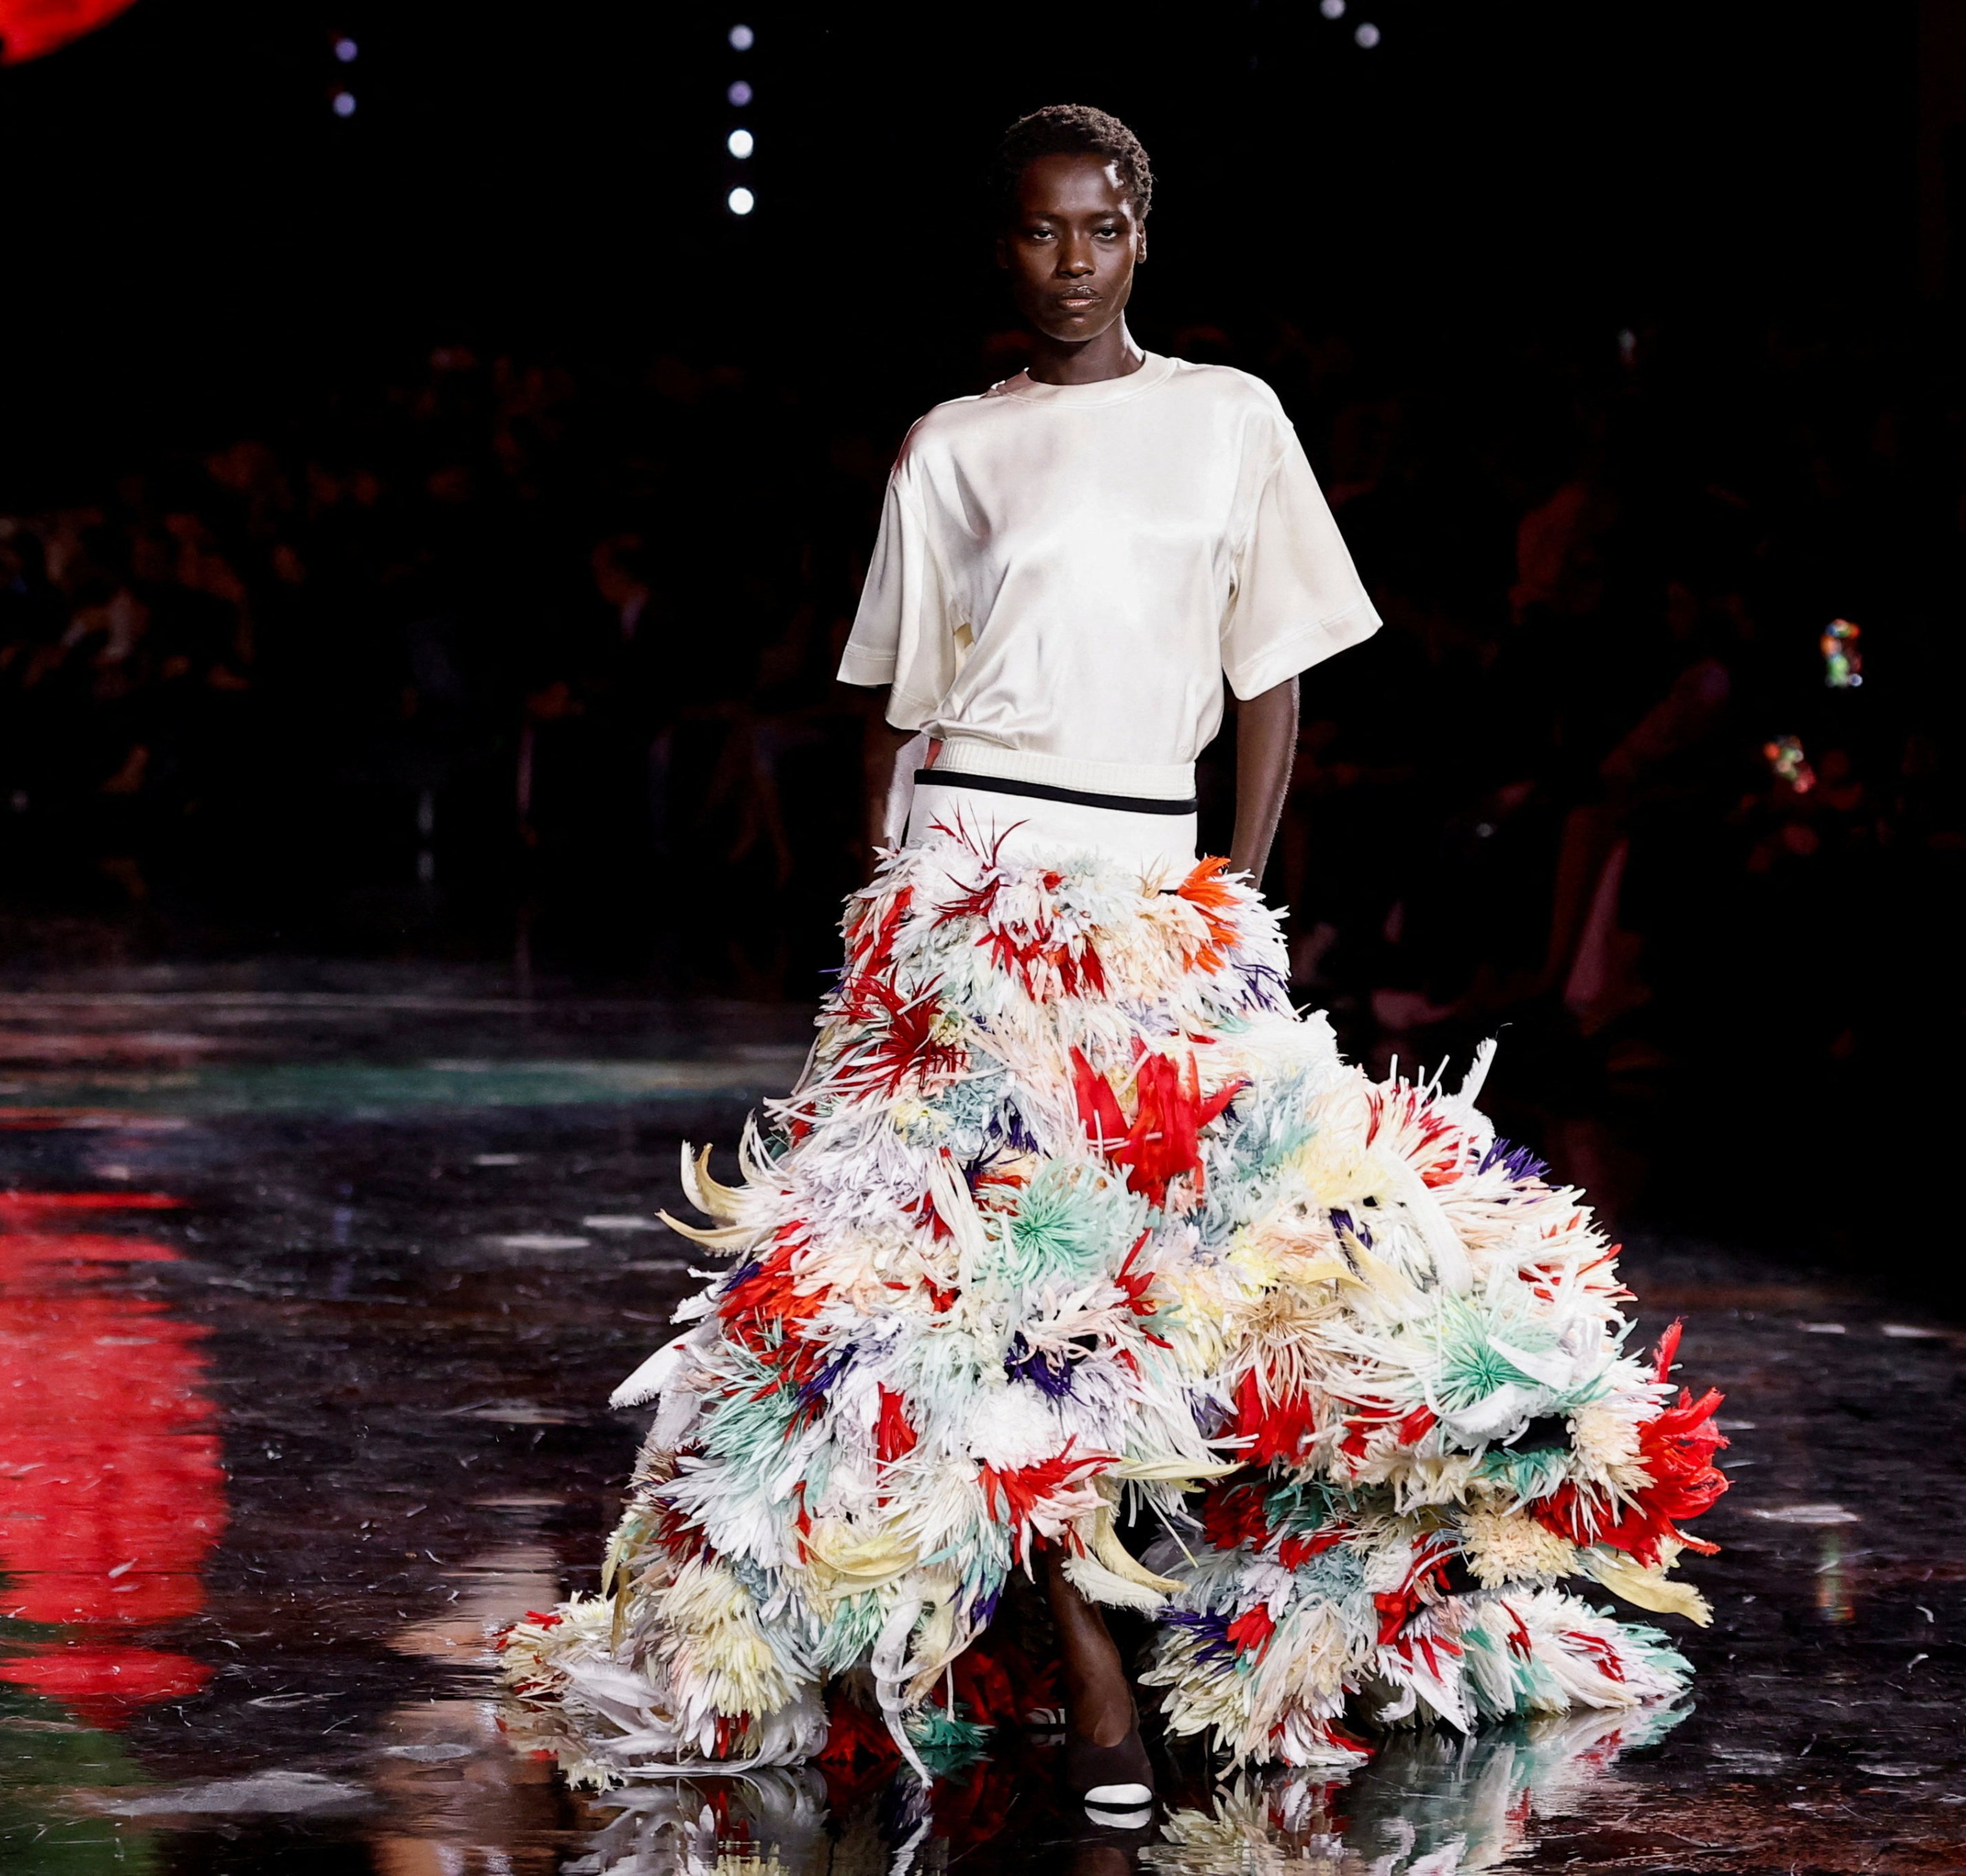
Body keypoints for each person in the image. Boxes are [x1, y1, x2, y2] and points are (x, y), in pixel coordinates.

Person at [502, 105, 1728, 1819]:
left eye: (1096, 229)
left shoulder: (1230, 421)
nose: (1066, 262)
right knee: (985, 1303)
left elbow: (1272, 675)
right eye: (1033, 233)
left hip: (1154, 881)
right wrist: (886, 922)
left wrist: (1240, 886)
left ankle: (1188, 1630)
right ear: (997, 249)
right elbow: (894, 716)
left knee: (1209, 1281)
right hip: (973, 879)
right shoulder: (949, 448)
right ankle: (1089, 1678)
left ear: (1142, 235)